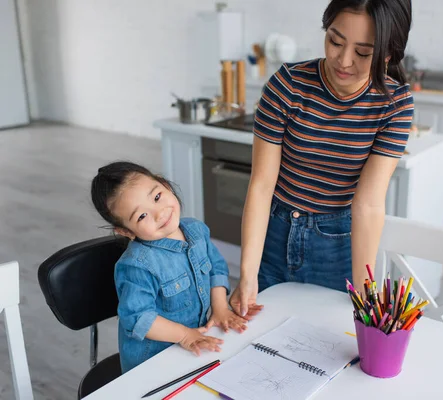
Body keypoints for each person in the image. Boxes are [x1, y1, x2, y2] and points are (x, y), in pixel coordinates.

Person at [230, 0, 414, 318]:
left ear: (387, 53)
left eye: (363, 52)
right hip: (275, 233)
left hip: (340, 242)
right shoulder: (287, 85)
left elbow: (368, 204)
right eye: (335, 41)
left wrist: (365, 293)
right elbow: (261, 185)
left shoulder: (394, 104)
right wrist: (247, 274)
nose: (343, 61)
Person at [91, 161, 247, 373]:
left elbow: (216, 268)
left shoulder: (196, 230)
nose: (159, 213)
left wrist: (219, 308)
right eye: (142, 216)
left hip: (194, 346)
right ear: (126, 232)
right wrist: (184, 335)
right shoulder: (136, 266)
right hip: (153, 363)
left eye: (157, 197)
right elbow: (138, 319)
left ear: (166, 186)